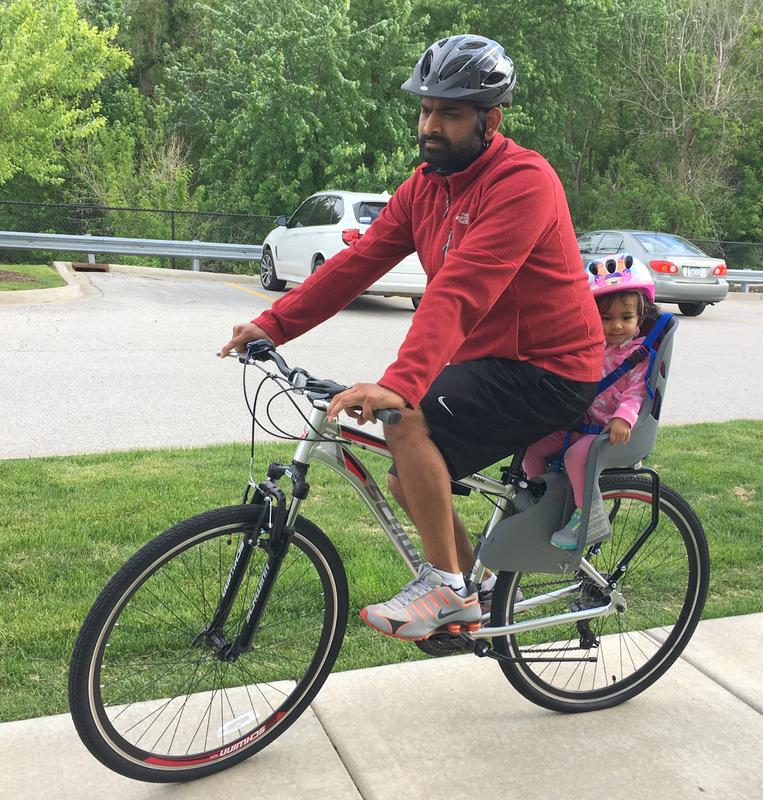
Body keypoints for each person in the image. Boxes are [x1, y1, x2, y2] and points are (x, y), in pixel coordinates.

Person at [220, 34, 604, 641]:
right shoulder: (426, 185)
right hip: (491, 361)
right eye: (426, 109)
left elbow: (461, 290)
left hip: (551, 368)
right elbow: (357, 263)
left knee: (404, 423)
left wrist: (399, 384)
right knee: (408, 472)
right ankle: (472, 590)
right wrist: (272, 323)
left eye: (449, 113)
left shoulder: (524, 182)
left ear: (490, 120)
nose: (430, 124)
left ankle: (447, 590)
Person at [523, 256, 661, 550]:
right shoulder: (590, 348)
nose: (616, 326)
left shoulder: (638, 355)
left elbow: (636, 392)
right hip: (578, 424)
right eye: (606, 318)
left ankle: (587, 517)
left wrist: (623, 418)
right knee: (531, 448)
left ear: (640, 318)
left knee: (576, 457)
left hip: (609, 433)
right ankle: (540, 500)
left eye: (626, 317)